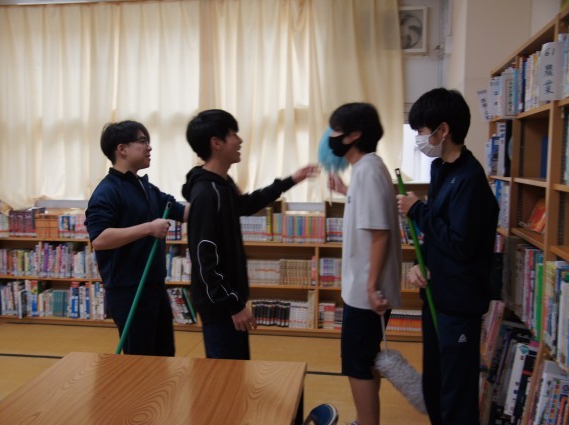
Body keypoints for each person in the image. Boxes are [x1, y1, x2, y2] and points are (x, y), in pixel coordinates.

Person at [396, 88, 499, 425]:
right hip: (436, 296)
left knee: (456, 393)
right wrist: (419, 263)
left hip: (459, 305)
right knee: (436, 385)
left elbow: (460, 244)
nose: (419, 139)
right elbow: (436, 235)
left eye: (422, 131)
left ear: (443, 130)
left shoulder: (470, 179)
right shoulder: (441, 169)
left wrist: (417, 210)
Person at [181, 109, 318, 360]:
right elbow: (205, 258)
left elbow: (245, 204)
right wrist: (233, 305)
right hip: (221, 306)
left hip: (228, 301)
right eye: (233, 134)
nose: (240, 140)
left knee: (237, 371)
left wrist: (291, 180)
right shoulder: (208, 193)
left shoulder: (222, 185)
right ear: (216, 143)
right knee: (227, 374)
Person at [326, 102, 402, 425]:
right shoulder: (366, 169)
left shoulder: (368, 171)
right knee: (367, 358)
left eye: (336, 131)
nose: (330, 137)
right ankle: (364, 419)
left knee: (356, 363)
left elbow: (380, 233)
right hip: (365, 289)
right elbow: (369, 211)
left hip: (365, 292)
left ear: (354, 135)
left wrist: (371, 287)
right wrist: (345, 190)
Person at [85, 120, 188, 356]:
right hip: (128, 291)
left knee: (164, 356)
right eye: (142, 141)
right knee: (139, 363)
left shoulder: (146, 188)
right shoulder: (107, 191)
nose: (149, 147)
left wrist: (212, 196)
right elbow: (99, 238)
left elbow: (182, 212)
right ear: (122, 149)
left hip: (155, 286)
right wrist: (148, 228)